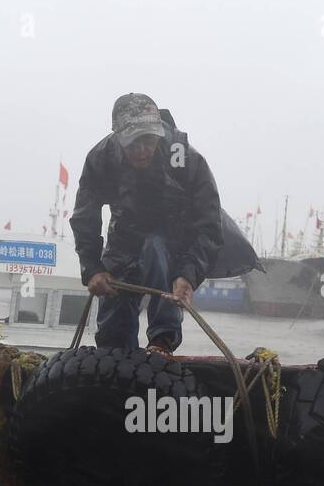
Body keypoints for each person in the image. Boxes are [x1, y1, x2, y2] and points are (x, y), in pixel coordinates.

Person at [70, 93, 224, 354]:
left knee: (156, 250)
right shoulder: (100, 159)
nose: (142, 150)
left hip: (173, 237)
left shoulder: (186, 159)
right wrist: (92, 268)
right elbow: (86, 216)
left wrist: (188, 275)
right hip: (124, 237)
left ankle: (161, 342)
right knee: (112, 322)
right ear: (118, 137)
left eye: (148, 140)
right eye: (133, 142)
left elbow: (209, 225)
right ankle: (114, 352)